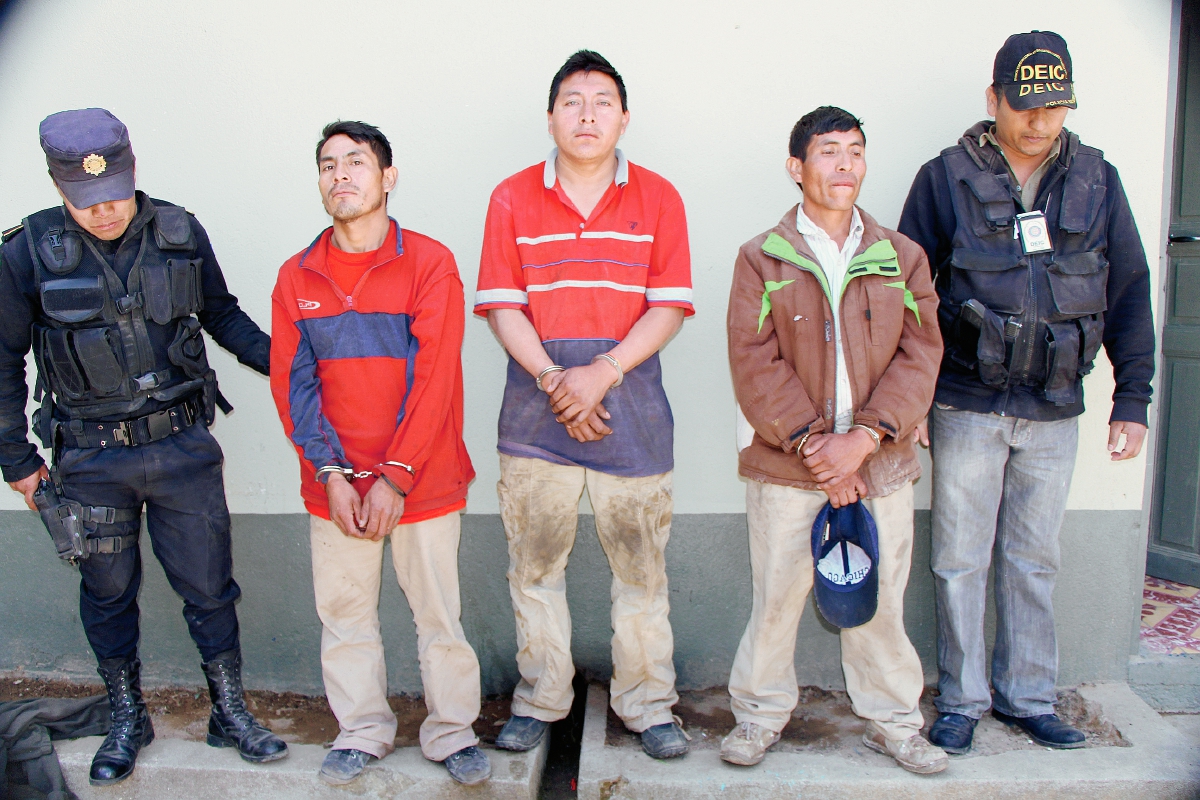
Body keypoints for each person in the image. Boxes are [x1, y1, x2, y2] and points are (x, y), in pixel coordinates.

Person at [0, 108, 286, 786]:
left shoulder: (179, 231)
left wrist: (291, 363)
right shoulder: (25, 252)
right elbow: (3, 360)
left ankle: (229, 711)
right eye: (85, 200)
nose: (103, 211)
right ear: (57, 185)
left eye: (116, 194)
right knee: (107, 593)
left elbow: (221, 314)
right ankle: (128, 717)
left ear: (134, 172)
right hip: (90, 459)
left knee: (210, 590)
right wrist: (17, 463)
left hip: (181, 449)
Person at [898, 31, 1156, 754]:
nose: (1038, 122)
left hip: (1053, 408)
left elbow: (1129, 288)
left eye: (1053, 107)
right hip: (966, 403)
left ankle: (1027, 697)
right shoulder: (945, 177)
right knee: (958, 559)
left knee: (1034, 559)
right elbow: (909, 296)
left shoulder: (1098, 178)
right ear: (994, 100)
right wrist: (910, 400)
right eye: (1024, 106)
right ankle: (961, 699)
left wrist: (1132, 398)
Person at [475, 50, 695, 760]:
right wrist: (555, 382)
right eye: (573, 101)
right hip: (536, 425)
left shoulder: (659, 197)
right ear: (551, 118)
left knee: (641, 574)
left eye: (603, 101)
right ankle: (541, 699)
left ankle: (647, 703)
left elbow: (668, 308)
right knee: (534, 571)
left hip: (633, 422)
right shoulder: (511, 197)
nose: (589, 114)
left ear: (624, 117)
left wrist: (600, 372)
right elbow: (505, 308)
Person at [723, 106, 946, 774]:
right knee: (778, 599)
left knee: (880, 602)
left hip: (881, 466)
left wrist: (866, 440)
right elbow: (752, 360)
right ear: (797, 167)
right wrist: (819, 449)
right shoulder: (762, 257)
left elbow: (921, 354)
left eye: (854, 151)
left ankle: (895, 723)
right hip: (787, 468)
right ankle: (758, 716)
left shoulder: (899, 256)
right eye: (827, 151)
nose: (843, 164)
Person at [270, 121, 488, 786]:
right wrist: (331, 472)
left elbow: (435, 381)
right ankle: (361, 728)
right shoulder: (296, 276)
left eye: (356, 162)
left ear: (387, 178)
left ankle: (452, 732)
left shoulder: (428, 262)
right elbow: (293, 387)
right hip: (333, 485)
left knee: (438, 615)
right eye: (329, 165)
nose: (341, 175)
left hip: (421, 482)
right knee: (343, 613)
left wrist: (394, 475)